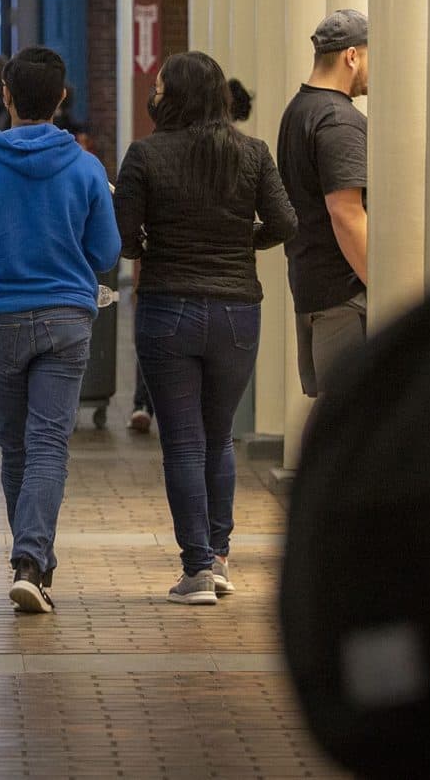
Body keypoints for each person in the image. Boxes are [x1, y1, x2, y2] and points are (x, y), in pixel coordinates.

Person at [0, 45, 121, 616]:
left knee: (16, 446)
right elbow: (107, 250)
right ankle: (31, 561)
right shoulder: (87, 167)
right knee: (48, 444)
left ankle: (30, 559)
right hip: (67, 316)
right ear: (62, 99)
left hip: (1, 317)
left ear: (7, 96)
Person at [114, 51, 296, 605]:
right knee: (219, 437)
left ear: (177, 96)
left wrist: (153, 248)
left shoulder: (145, 154)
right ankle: (218, 558)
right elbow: (286, 222)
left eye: (162, 88)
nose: (156, 95)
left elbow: (122, 237)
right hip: (238, 308)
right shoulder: (253, 153)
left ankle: (195, 569)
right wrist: (244, 244)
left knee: (184, 443)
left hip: (168, 305)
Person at [277, 10, 370, 399]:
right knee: (359, 428)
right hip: (344, 297)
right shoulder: (338, 120)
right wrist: (382, 286)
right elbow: (346, 213)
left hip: (313, 286)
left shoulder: (298, 110)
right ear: (351, 56)